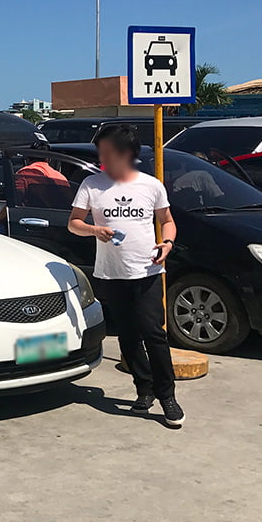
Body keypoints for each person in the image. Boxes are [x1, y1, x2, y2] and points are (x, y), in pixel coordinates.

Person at [68, 124, 183, 428]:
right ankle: (143, 390)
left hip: (147, 271)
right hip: (111, 274)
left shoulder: (151, 185)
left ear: (127, 153)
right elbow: (73, 224)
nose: (101, 157)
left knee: (154, 334)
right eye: (100, 151)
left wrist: (167, 244)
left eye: (107, 151)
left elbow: (167, 221)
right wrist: (95, 230)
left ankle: (167, 396)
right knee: (128, 336)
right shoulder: (92, 185)